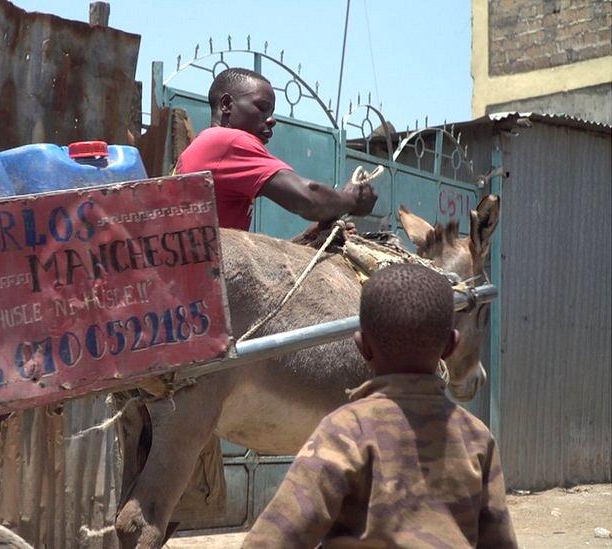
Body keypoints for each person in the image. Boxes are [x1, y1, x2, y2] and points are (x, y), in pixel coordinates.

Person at [243, 263, 518, 548]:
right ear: (450, 347)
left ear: (363, 347)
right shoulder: (476, 436)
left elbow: (272, 540)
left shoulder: (346, 430)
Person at [176, 67, 378, 232]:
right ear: (227, 104)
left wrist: (311, 236)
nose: (271, 120)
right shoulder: (229, 141)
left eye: (271, 112)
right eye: (262, 107)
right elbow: (309, 198)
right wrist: (353, 198)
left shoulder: (201, 146)